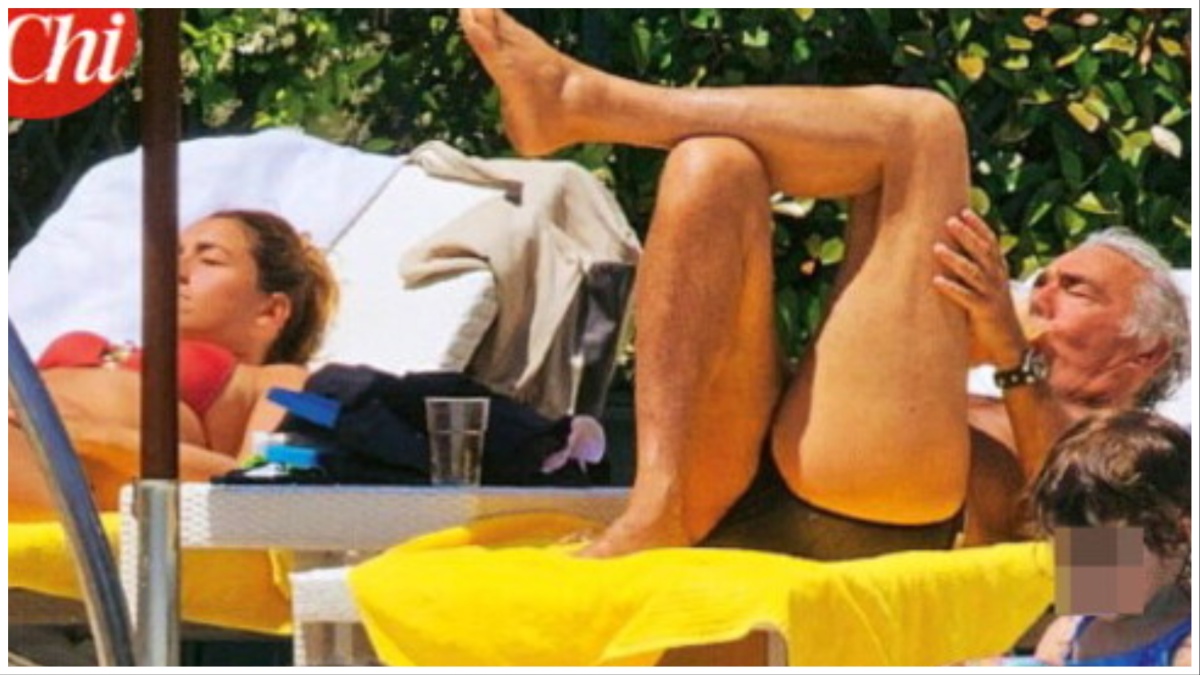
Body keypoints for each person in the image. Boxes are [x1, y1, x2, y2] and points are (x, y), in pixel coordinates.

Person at [458, 9, 1190, 559]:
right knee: (713, 168)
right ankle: (656, 498)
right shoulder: (966, 394)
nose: (1040, 294)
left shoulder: (1149, 450)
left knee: (925, 128)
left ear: (1144, 353)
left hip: (866, 529)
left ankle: (587, 101)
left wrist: (1012, 358)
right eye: (1046, 279)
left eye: (1078, 291)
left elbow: (1102, 595)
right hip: (734, 487)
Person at [8, 209, 338, 521]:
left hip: (55, 471)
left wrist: (95, 436)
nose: (175, 271)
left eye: (210, 260)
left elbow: (269, 488)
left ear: (270, 311)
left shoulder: (291, 383)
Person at [1026, 410, 1191, 667]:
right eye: (1070, 552)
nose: (1086, 572)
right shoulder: (1066, 636)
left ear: (1179, 535)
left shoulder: (1186, 648)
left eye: (1103, 551)